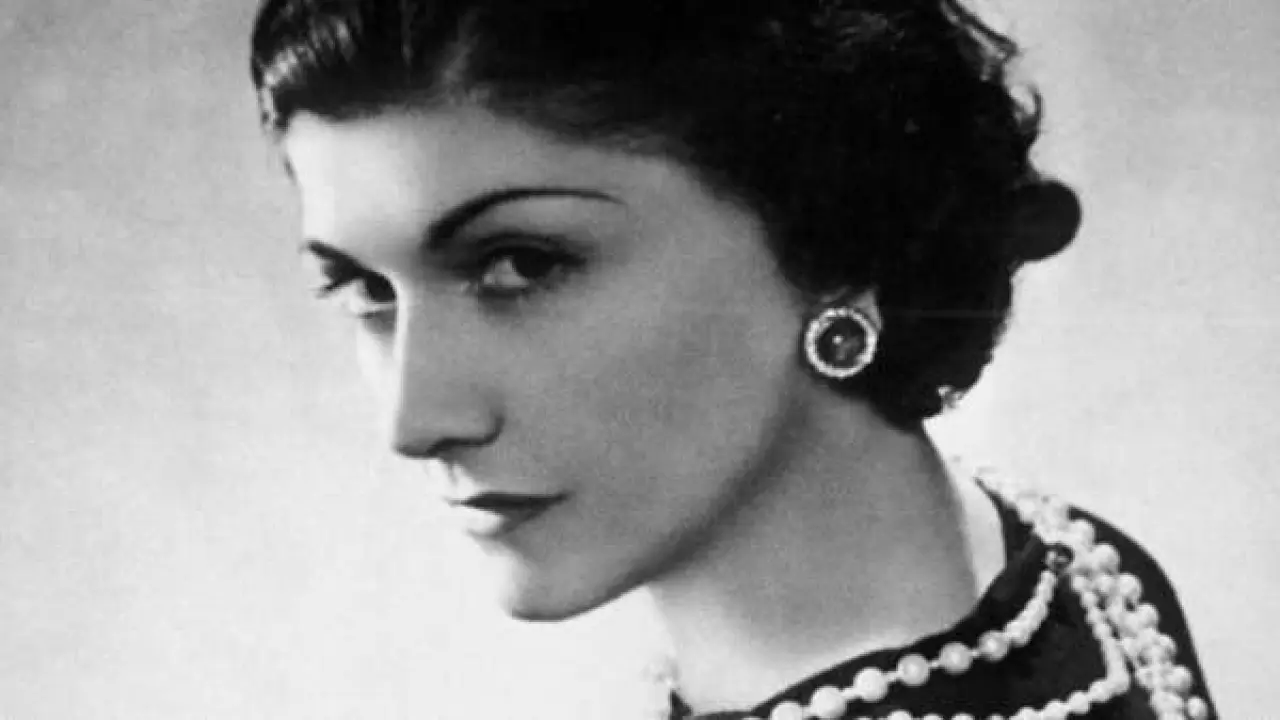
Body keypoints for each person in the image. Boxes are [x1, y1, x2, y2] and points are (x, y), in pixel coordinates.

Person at [249, 1, 1217, 718]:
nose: (416, 420)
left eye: (521, 265)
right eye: (365, 290)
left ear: (831, 238)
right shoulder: (1078, 574)